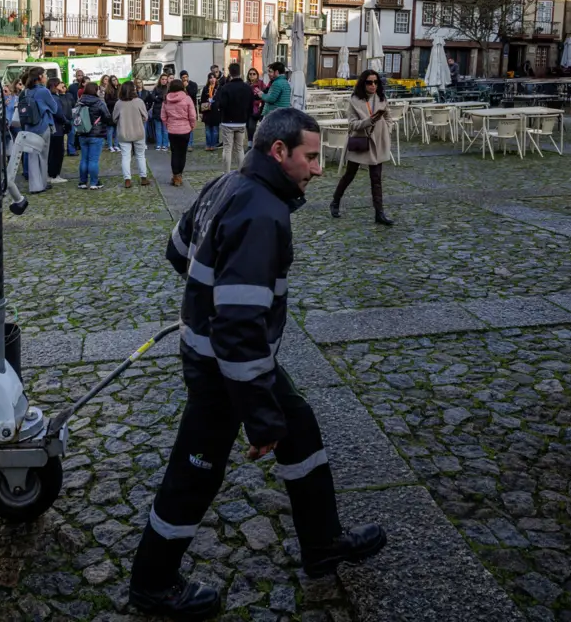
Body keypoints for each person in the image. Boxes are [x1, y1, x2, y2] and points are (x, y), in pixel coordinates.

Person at [127, 109, 387, 619]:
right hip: (224, 370)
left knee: (301, 427)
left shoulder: (227, 183)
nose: (317, 169)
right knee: (194, 473)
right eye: (310, 157)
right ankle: (152, 583)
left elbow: (177, 250)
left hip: (233, 362)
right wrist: (259, 417)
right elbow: (238, 329)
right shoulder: (263, 215)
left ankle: (322, 544)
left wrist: (206, 283)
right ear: (278, 152)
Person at [330, 70, 394, 226]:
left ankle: (379, 213)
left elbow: (388, 117)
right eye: (369, 82)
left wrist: (387, 129)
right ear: (363, 83)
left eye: (376, 82)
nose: (373, 85)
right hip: (360, 141)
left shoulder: (381, 98)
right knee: (350, 175)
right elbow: (352, 125)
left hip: (377, 142)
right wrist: (368, 121)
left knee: (376, 179)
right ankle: (335, 201)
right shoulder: (354, 100)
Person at [8, 67, 58, 196]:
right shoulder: (43, 91)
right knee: (43, 156)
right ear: (40, 77)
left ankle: (34, 186)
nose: (46, 77)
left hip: (29, 126)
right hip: (42, 126)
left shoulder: (26, 91)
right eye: (45, 74)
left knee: (32, 156)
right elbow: (54, 108)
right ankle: (42, 183)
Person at [213, 63, 252, 173]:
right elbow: (250, 104)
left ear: (230, 73)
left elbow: (220, 104)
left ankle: (227, 173)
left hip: (227, 122)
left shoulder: (225, 88)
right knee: (239, 149)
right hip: (241, 122)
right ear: (240, 72)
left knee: (227, 148)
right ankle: (241, 173)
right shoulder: (247, 88)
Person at [114, 79, 150, 188]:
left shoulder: (119, 103)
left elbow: (114, 118)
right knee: (140, 156)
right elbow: (146, 117)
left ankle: (127, 179)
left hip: (124, 133)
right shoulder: (139, 102)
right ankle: (143, 177)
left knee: (125, 157)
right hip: (138, 132)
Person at [161, 78, 197, 186]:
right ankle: (179, 175)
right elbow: (192, 115)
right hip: (185, 130)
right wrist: (192, 125)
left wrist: (168, 125)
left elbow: (163, 116)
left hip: (172, 130)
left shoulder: (166, 100)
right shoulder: (187, 99)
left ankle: (175, 175)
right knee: (183, 153)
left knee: (174, 153)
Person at [74, 83, 110, 190]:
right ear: (95, 90)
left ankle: (82, 182)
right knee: (93, 160)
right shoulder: (99, 102)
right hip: (96, 134)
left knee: (84, 159)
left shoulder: (79, 101)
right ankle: (94, 182)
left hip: (82, 133)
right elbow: (107, 116)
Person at [47, 78, 71, 184]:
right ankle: (54, 174)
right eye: (59, 84)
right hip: (57, 128)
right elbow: (59, 113)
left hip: (52, 128)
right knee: (57, 152)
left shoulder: (50, 96)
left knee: (53, 152)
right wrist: (66, 121)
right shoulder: (54, 98)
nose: (62, 85)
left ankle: (51, 174)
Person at [199, 74, 221, 152]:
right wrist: (200, 112)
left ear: (216, 79)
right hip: (207, 111)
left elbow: (221, 99)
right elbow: (201, 100)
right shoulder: (205, 88)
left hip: (215, 111)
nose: (212, 79)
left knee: (215, 130)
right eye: (210, 78)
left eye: (213, 77)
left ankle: (213, 145)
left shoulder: (219, 88)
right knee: (208, 130)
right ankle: (208, 144)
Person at [67, 72, 86, 156]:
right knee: (74, 129)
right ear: (76, 76)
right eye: (79, 75)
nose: (80, 77)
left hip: (84, 109)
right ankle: (74, 145)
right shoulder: (72, 87)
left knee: (82, 127)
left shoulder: (86, 86)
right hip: (74, 109)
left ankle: (80, 145)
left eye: (82, 75)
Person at [246, 67, 265, 146]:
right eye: (250, 74)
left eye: (254, 74)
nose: (252, 76)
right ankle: (250, 144)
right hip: (249, 109)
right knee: (249, 127)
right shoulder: (246, 84)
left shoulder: (261, 83)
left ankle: (257, 144)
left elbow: (265, 94)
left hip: (260, 109)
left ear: (257, 75)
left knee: (254, 127)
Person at [103, 75, 121, 153]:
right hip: (111, 111)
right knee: (110, 129)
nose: (115, 81)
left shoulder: (120, 88)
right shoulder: (108, 90)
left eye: (116, 79)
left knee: (117, 129)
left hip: (119, 111)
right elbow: (107, 102)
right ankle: (110, 145)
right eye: (113, 80)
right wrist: (116, 102)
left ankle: (116, 145)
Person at [151, 79, 170, 152]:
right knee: (158, 129)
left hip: (166, 111)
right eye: (162, 79)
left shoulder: (168, 88)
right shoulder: (156, 88)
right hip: (157, 111)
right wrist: (159, 98)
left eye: (165, 79)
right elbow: (152, 97)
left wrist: (158, 97)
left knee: (165, 130)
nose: (164, 80)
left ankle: (165, 145)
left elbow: (167, 98)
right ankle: (159, 144)